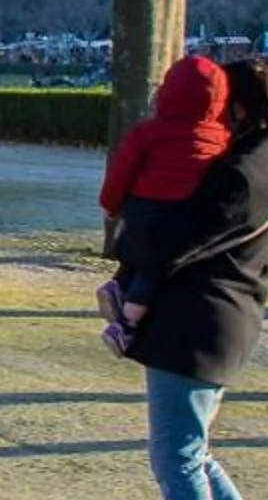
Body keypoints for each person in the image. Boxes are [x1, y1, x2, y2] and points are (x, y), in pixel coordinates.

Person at [109, 56, 268, 500]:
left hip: (198, 323)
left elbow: (180, 244)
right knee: (195, 455)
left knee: (178, 460)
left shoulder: (238, 172)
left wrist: (133, 299)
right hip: (221, 320)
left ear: (237, 105)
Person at [96, 55, 234, 346]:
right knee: (155, 271)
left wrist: (111, 205)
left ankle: (118, 284)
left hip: (142, 208)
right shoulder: (221, 139)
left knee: (141, 253)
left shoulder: (148, 133)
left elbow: (122, 172)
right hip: (182, 214)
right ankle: (127, 324)